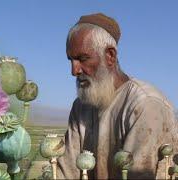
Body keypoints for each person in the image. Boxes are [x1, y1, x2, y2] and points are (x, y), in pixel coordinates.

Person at [57, 13, 178, 179]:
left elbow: (139, 174)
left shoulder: (145, 104)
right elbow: (66, 172)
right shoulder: (81, 106)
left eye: (83, 59)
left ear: (110, 56)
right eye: (71, 60)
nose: (74, 71)